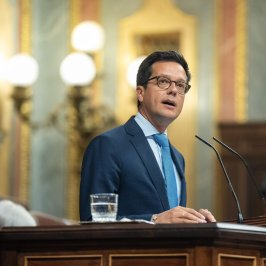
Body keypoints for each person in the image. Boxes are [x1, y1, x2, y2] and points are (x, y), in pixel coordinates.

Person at [80, 50, 216, 224]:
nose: (173, 90)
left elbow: (171, 222)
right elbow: (94, 221)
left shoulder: (177, 158)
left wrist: (195, 222)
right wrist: (154, 220)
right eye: (163, 82)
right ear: (140, 93)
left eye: (181, 85)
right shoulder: (107, 146)